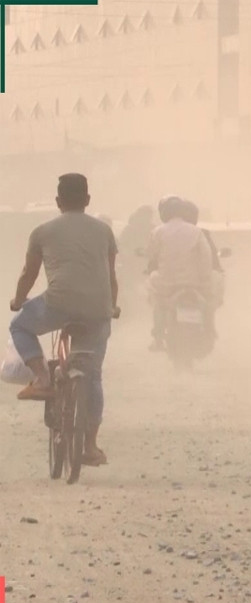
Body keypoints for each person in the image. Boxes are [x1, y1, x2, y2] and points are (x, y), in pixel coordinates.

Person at [9, 173, 119, 467]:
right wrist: (114, 305)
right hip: (98, 309)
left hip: (58, 305)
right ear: (87, 200)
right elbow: (110, 276)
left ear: (58, 201)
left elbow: (28, 275)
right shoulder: (104, 231)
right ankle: (90, 447)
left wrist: (18, 301)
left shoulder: (42, 231)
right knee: (93, 374)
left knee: (19, 325)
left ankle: (42, 378)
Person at [146, 196, 214, 351]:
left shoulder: (158, 231)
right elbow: (206, 256)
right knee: (207, 303)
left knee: (157, 301)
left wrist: (152, 268)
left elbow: (151, 255)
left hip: (166, 284)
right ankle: (209, 331)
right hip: (193, 283)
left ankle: (158, 338)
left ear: (164, 214)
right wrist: (204, 277)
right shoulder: (196, 231)